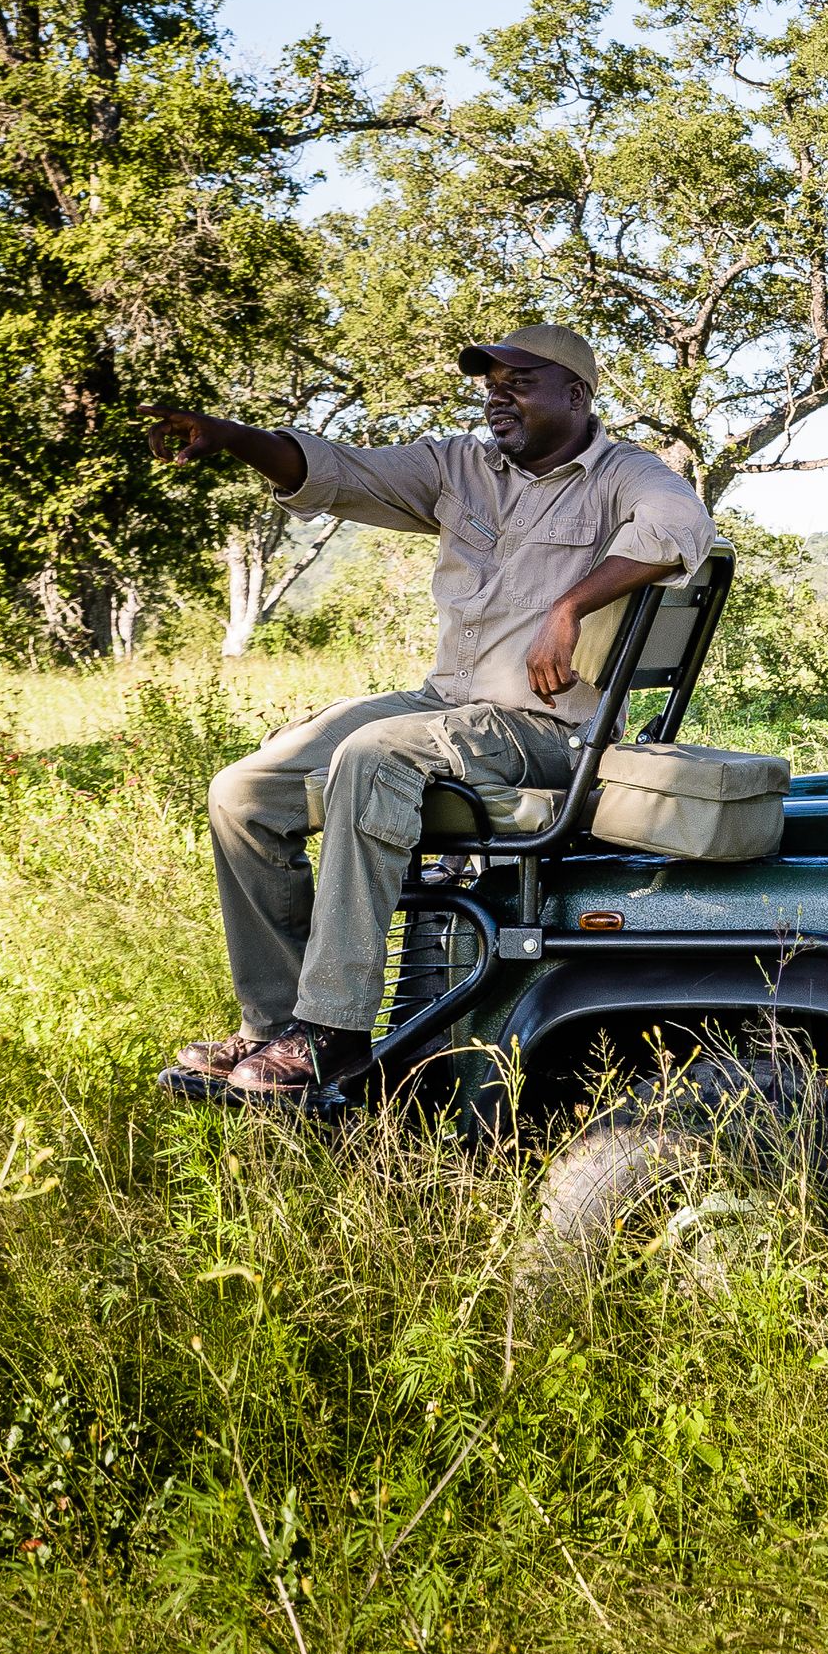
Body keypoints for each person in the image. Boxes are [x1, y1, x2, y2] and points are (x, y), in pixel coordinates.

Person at [142, 324, 713, 1095]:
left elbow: (682, 530)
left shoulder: (623, 474)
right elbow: (338, 472)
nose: (496, 394)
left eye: (519, 380)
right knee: (244, 792)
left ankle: (334, 1030)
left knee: (377, 755)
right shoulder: (458, 467)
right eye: (489, 382)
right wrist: (230, 436)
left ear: (576, 395)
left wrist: (568, 606)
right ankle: (274, 1026)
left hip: (546, 729)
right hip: (447, 706)